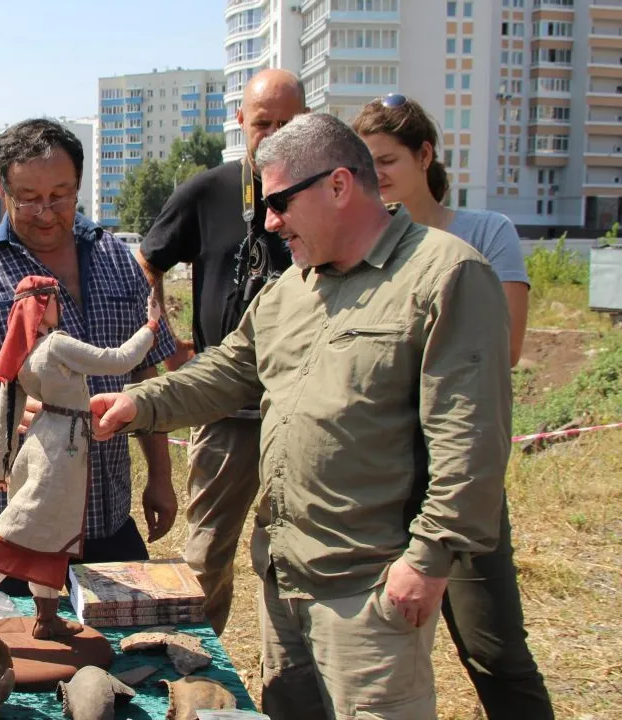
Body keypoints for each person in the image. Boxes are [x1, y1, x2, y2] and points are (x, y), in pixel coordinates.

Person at [90, 113, 514, 719]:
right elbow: (229, 371)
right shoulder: (292, 287)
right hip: (284, 576)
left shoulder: (444, 275)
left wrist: (427, 560)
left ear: (338, 185)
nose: (269, 222)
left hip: (369, 588)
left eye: (280, 202)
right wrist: (140, 403)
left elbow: (468, 441)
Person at [353, 93, 551, 719]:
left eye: (387, 160)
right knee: (373, 654)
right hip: (375, 474)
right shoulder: (361, 246)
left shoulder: (483, 233)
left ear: (425, 155)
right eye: (364, 164)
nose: (376, 175)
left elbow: (505, 348)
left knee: (492, 649)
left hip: (455, 476)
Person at [0, 118, 177, 597]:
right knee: (17, 639)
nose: (45, 212)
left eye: (60, 196)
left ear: (79, 184)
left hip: (105, 511)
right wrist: (7, 414)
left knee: (119, 637)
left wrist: (160, 477)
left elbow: (145, 373)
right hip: (14, 514)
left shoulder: (115, 257)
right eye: (28, 197)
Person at [136, 67, 306, 634]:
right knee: (206, 554)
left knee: (291, 555)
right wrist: (166, 343)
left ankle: (287, 670)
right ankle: (200, 665)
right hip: (225, 407)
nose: (274, 136)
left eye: (287, 124)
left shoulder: (321, 196)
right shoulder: (209, 192)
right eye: (263, 123)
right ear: (240, 121)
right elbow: (147, 261)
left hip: (303, 407)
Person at [0, 276, 161, 639]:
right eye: (54, 298)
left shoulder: (23, 350)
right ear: (42, 304)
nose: (60, 304)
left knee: (51, 534)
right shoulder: (55, 344)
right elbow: (117, 360)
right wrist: (149, 328)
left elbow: (6, 412)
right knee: (17, 528)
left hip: (40, 445)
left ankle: (46, 619)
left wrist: (0, 468)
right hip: (59, 454)